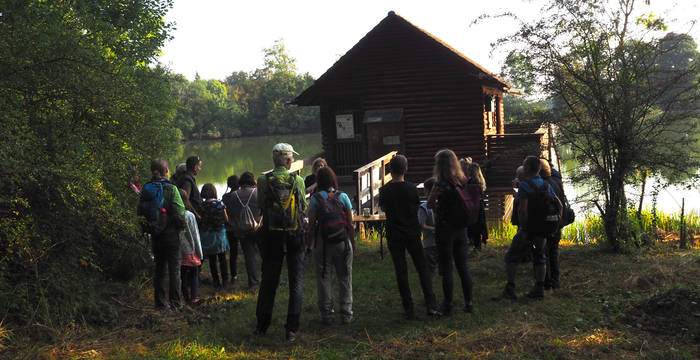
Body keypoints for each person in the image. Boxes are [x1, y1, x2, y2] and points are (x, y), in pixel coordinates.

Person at [254, 143, 307, 342]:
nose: (292, 160)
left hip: (272, 237)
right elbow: (302, 207)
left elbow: (260, 205)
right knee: (296, 282)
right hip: (295, 236)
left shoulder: (263, 180)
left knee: (269, 282)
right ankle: (292, 329)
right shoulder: (298, 180)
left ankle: (262, 326)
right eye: (291, 158)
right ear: (287, 160)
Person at [379, 154, 441, 320]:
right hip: (412, 233)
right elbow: (415, 207)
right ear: (406, 169)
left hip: (394, 234)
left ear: (390, 170)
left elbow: (383, 208)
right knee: (422, 269)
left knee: (401, 272)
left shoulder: (384, 190)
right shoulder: (412, 188)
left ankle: (409, 309)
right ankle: (431, 305)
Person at [493, 156, 561, 301]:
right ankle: (539, 289)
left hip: (529, 229)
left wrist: (524, 228)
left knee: (511, 257)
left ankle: (510, 289)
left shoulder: (524, 185)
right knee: (540, 257)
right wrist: (555, 224)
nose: (522, 168)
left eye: (524, 166)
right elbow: (559, 205)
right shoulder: (545, 184)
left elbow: (522, 210)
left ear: (529, 168)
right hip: (543, 229)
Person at [427, 149, 474, 315]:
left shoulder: (440, 184)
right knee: (463, 266)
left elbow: (430, 204)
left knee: (446, 268)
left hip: (445, 229)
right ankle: (469, 303)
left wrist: (433, 193)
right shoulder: (463, 180)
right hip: (461, 228)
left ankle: (448, 306)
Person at [307, 166, 355, 325]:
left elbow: (311, 226)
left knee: (323, 278)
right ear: (333, 179)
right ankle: (346, 313)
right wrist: (352, 244)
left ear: (318, 181)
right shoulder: (344, 197)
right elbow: (350, 224)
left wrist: (310, 244)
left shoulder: (315, 199)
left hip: (323, 243)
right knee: (345, 277)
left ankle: (327, 315)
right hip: (342, 242)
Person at [142, 159, 185, 311]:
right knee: (174, 270)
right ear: (166, 171)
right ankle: (175, 303)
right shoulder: (171, 189)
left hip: (155, 235)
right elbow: (180, 214)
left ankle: (160, 303)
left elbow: (140, 213)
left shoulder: (146, 189)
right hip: (171, 235)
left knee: (159, 268)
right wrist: (180, 228)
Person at [226, 171, 262, 289]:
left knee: (249, 256)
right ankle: (269, 279)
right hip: (258, 228)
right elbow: (264, 209)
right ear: (253, 181)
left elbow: (231, 214)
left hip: (242, 230)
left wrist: (237, 225)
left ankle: (253, 282)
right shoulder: (258, 193)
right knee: (265, 254)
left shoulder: (234, 195)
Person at [539, 159, 567, 290]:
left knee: (544, 252)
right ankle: (556, 281)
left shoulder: (542, 185)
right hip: (557, 221)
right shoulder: (557, 182)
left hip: (545, 223)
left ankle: (546, 282)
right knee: (554, 251)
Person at [200, 183, 230, 288]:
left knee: (212, 259)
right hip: (219, 234)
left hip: (207, 235)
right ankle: (225, 280)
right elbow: (226, 219)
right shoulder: (220, 204)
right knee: (222, 258)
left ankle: (216, 281)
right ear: (214, 192)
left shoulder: (202, 205)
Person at [179, 188, 203, 305]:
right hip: (191, 250)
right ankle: (193, 298)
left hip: (178, 251)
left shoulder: (171, 215)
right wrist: (200, 252)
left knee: (182, 276)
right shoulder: (189, 216)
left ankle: (185, 297)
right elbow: (195, 235)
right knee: (194, 275)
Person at [418, 177, 439, 282]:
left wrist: (432, 229)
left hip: (429, 243)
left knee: (429, 269)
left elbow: (421, 224)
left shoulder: (424, 207)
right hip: (440, 242)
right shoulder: (442, 205)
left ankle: (429, 288)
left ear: (427, 191)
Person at [221, 175, 241, 284]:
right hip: (239, 226)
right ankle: (234, 275)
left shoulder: (225, 197)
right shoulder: (239, 195)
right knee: (236, 252)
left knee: (231, 252)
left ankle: (232, 275)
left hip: (228, 227)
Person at [466, 162, 488, 250]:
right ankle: (477, 245)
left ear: (472, 170)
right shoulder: (478, 181)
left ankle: (477, 245)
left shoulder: (474, 182)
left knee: (476, 225)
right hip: (478, 206)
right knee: (477, 225)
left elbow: (471, 194)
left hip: (475, 207)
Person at [176, 156, 203, 220]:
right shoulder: (187, 180)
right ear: (195, 167)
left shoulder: (187, 177)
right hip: (193, 217)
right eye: (199, 166)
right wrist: (197, 215)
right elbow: (185, 200)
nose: (200, 169)